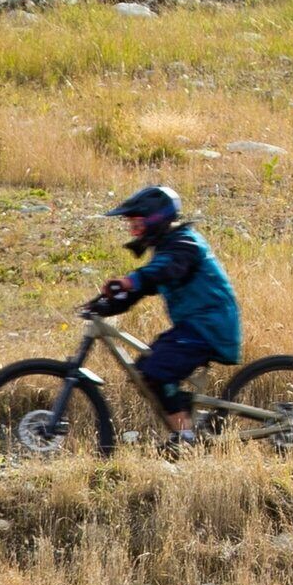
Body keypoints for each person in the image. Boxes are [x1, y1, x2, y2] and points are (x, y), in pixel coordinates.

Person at [90, 184, 245, 446]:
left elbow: (164, 271)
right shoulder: (168, 247)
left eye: (137, 224)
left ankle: (185, 439)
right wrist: (107, 304)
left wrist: (130, 280)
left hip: (209, 328)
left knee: (156, 371)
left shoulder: (185, 244)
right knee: (146, 370)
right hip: (196, 326)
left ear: (155, 219)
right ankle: (185, 417)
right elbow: (146, 285)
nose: (133, 230)